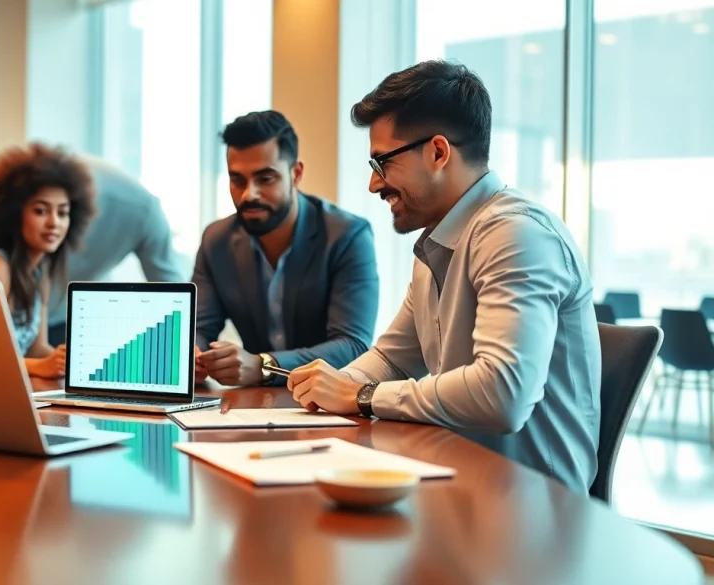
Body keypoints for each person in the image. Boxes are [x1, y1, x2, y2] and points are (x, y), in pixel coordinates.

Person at [287, 60, 601, 492]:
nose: (373, 186)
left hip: (533, 512)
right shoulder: (439, 240)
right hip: (457, 484)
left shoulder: (516, 234)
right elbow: (394, 358)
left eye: (382, 163)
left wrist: (361, 397)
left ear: (438, 152)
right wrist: (338, 386)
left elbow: (503, 392)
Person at [192, 110, 379, 387]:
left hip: (328, 404)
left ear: (296, 173)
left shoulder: (348, 236)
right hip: (252, 406)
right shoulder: (216, 240)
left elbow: (353, 345)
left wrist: (265, 365)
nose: (249, 194)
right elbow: (199, 329)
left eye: (265, 179)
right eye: (237, 180)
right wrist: (193, 356)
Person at [0, 143, 96, 379]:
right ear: (13, 214)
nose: (54, 222)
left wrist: (69, 362)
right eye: (41, 211)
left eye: (63, 212)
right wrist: (41, 367)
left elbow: (37, 350)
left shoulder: (39, 273)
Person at [45, 155, 184, 346]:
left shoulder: (144, 210)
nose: (54, 223)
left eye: (63, 212)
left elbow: (173, 294)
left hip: (72, 320)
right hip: (25, 315)